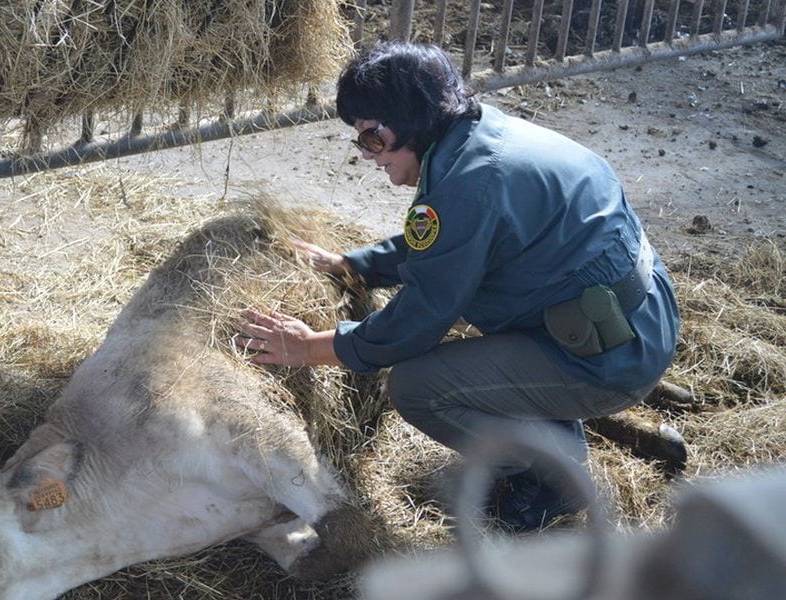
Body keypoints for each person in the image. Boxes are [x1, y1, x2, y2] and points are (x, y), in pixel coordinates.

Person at [236, 42, 680, 532]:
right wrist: (352, 265)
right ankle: (563, 423)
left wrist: (311, 347)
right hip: (632, 316)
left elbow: (419, 320)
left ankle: (553, 475)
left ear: (406, 122)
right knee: (469, 350)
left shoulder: (467, 186)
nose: (368, 156)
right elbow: (444, 246)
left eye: (370, 138)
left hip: (607, 356)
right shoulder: (482, 138)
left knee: (418, 387)